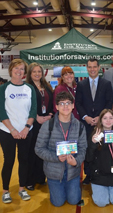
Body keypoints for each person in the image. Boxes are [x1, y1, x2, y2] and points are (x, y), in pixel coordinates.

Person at [35, 91, 87, 207]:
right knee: (58, 203)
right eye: (62, 104)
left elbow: (83, 148)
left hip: (72, 173)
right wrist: (56, 157)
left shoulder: (80, 126)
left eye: (68, 103)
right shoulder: (47, 125)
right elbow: (39, 149)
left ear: (73, 106)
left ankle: (71, 189)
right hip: (53, 173)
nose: (65, 106)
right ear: (56, 107)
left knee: (74, 201)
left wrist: (76, 161)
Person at [0, 59, 37, 203]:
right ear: (11, 70)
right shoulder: (3, 88)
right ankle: (5, 191)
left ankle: (22, 188)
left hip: (26, 131)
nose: (19, 71)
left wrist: (26, 128)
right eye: (16, 68)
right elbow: (1, 112)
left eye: (22, 69)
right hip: (7, 131)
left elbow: (33, 110)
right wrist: (12, 130)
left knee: (24, 160)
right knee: (8, 161)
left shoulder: (29, 88)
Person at [75, 58, 113, 184]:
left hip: (101, 124)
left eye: (94, 67)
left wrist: (100, 117)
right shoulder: (80, 85)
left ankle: (100, 172)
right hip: (86, 123)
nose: (92, 69)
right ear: (87, 68)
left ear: (99, 68)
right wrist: (85, 116)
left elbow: (109, 102)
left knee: (100, 148)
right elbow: (78, 103)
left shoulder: (106, 84)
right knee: (87, 149)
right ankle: (88, 174)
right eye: (90, 67)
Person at [87, 109, 113, 207]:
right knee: (101, 203)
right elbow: (88, 158)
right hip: (99, 175)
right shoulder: (95, 135)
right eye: (105, 118)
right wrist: (93, 144)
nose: (108, 121)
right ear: (100, 120)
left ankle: (111, 190)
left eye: (110, 118)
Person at [26, 62, 54, 190]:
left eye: (39, 71)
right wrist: (35, 117)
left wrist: (50, 115)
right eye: (34, 72)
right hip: (33, 123)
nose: (37, 74)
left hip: (47, 122)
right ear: (30, 74)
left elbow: (53, 102)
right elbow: (24, 106)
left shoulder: (47, 86)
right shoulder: (26, 87)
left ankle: (40, 177)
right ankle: (29, 180)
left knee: (43, 150)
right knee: (32, 151)